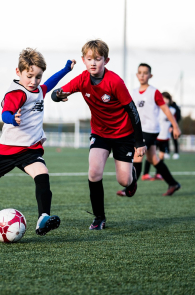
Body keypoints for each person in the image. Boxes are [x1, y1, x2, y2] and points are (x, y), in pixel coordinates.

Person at [0, 48, 75, 236]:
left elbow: (50, 83)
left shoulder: (37, 89)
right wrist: (12, 118)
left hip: (29, 150)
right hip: (6, 151)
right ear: (18, 72)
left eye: (38, 77)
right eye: (30, 76)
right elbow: (5, 113)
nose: (34, 81)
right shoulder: (16, 93)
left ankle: (43, 217)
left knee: (42, 174)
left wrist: (65, 70)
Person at [51, 40, 146, 230]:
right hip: (100, 133)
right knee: (94, 172)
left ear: (106, 60)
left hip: (123, 134)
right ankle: (99, 217)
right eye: (89, 59)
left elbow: (132, 110)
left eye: (98, 59)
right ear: (83, 61)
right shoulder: (82, 79)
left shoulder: (115, 82)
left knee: (123, 180)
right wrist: (59, 96)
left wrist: (139, 141)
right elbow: (57, 93)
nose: (93, 63)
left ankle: (133, 175)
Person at [129, 63, 181, 196]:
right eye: (139, 72)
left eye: (145, 72)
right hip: (139, 130)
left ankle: (129, 188)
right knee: (153, 159)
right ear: (136, 75)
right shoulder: (134, 92)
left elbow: (166, 110)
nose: (142, 75)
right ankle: (173, 183)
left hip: (150, 129)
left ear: (150, 75)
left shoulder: (154, 92)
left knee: (138, 155)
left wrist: (175, 126)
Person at [142, 92, 176, 181]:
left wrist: (173, 127)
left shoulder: (172, 110)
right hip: (156, 136)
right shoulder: (157, 109)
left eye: (166, 98)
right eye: (163, 98)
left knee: (161, 156)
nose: (164, 100)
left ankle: (158, 174)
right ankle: (145, 173)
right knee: (150, 157)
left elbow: (174, 120)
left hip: (165, 137)